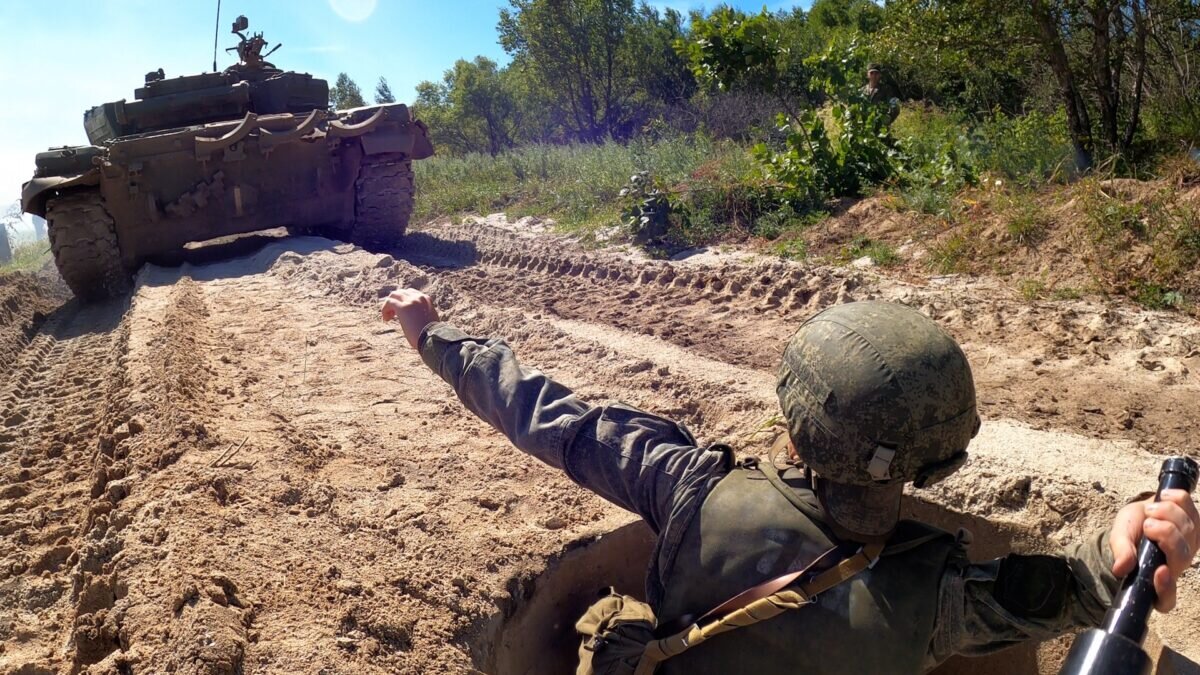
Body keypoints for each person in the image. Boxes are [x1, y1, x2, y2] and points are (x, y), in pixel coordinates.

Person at [381, 289, 1199, 673]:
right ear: (941, 459)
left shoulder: (687, 484)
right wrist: (1122, 543)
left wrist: (431, 334)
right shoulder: (939, 595)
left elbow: (548, 416)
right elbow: (1062, 591)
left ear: (797, 425)